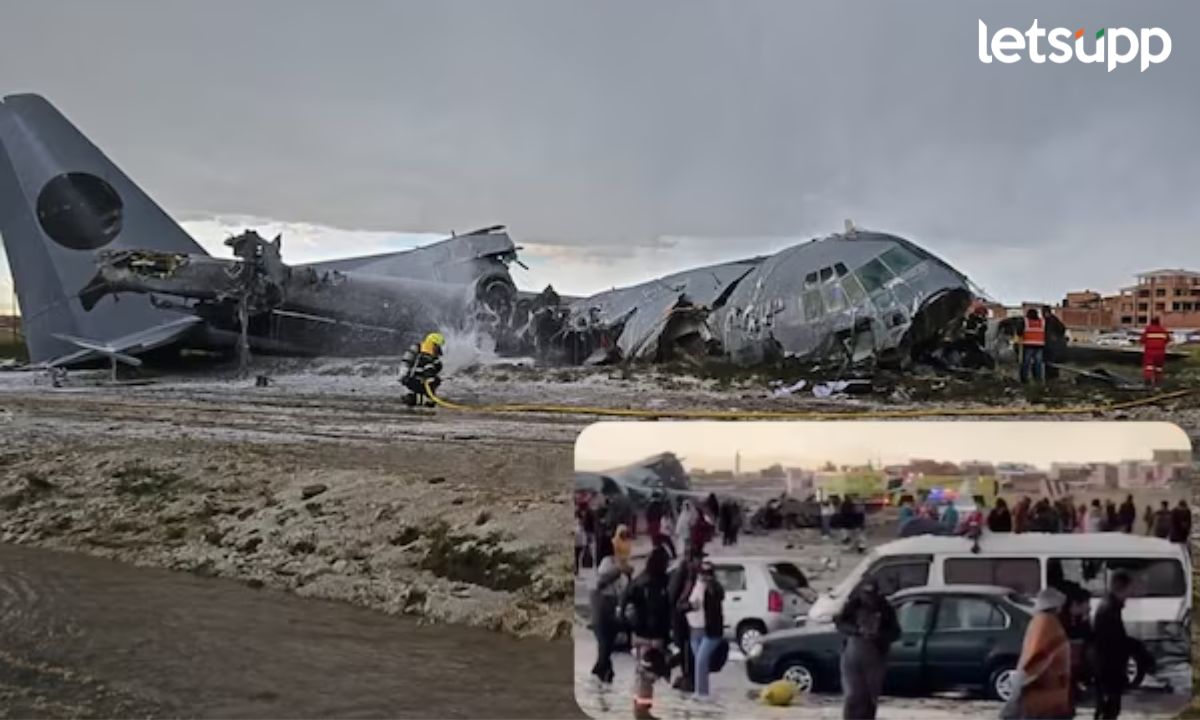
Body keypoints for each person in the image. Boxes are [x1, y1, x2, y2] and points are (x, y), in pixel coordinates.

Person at [834, 579, 900, 720]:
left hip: (876, 656)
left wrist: (879, 636)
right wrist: (857, 630)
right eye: (865, 594)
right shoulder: (854, 604)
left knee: (870, 696)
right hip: (852, 655)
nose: (868, 599)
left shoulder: (885, 608)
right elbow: (840, 622)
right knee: (853, 694)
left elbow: (895, 632)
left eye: (871, 595)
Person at [1007, 587, 1072, 720]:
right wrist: (1023, 681)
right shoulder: (1048, 624)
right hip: (1045, 693)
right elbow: (1038, 656)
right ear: (1057, 606)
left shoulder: (1038, 621)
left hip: (1045, 690)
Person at [624, 546, 673, 720]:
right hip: (650, 636)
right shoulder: (655, 584)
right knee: (647, 674)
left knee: (643, 674)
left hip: (639, 636)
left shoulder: (639, 581)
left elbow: (625, 607)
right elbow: (658, 611)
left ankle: (641, 710)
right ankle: (642, 712)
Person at [1092, 572, 1135, 719]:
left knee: (1108, 709)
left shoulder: (1111, 607)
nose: (1131, 593)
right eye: (1130, 588)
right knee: (1109, 710)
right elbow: (1113, 642)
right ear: (1122, 588)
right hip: (1108, 669)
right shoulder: (1108, 609)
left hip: (1108, 668)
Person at [686, 561, 726, 700]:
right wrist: (690, 606)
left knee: (701, 660)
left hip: (711, 631)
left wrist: (711, 585)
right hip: (694, 629)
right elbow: (680, 604)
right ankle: (701, 691)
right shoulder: (692, 585)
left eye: (708, 574)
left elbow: (720, 596)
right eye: (703, 573)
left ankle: (702, 694)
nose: (705, 577)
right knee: (700, 662)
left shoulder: (714, 588)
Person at [590, 554, 630, 684]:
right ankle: (601, 674)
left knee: (605, 650)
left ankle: (603, 674)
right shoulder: (598, 585)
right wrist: (620, 570)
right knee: (604, 649)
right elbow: (603, 581)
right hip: (601, 622)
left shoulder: (612, 587)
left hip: (608, 621)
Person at [667, 549, 702, 693]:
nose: (700, 562)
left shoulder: (691, 574)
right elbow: (674, 599)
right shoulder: (683, 574)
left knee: (687, 651)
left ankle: (685, 678)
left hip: (687, 619)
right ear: (690, 559)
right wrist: (689, 606)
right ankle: (685, 679)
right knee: (686, 651)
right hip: (680, 619)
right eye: (698, 559)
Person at [399, 332, 445, 407]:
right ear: (434, 344)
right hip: (415, 379)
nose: (439, 348)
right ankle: (413, 399)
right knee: (431, 401)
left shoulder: (422, 350)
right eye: (438, 346)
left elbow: (436, 366)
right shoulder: (425, 354)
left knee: (431, 393)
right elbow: (428, 366)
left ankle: (417, 398)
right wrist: (430, 377)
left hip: (413, 379)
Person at [1139, 317, 1171, 386]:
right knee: (1159, 367)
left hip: (1149, 351)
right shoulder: (1163, 330)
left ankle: (1148, 381)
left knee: (1148, 366)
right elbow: (1168, 340)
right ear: (1159, 322)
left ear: (1151, 322)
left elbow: (1142, 340)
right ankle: (1158, 382)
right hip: (1160, 352)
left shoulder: (1148, 329)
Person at [1020, 308, 1046, 384]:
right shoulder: (1042, 321)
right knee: (1038, 363)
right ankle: (1038, 379)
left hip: (1028, 345)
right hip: (1040, 345)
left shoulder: (1026, 321)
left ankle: (1024, 380)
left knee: (1026, 363)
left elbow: (1019, 331)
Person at [1042, 305, 1067, 381]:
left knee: (1051, 363)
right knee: (1050, 363)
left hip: (1052, 346)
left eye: (1043, 312)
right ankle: (1051, 378)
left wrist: (1055, 337)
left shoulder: (1051, 320)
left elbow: (1062, 328)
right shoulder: (1051, 319)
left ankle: (1051, 378)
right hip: (1050, 345)